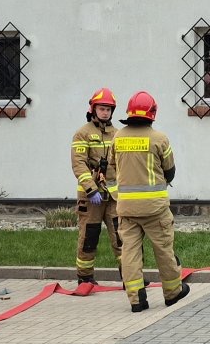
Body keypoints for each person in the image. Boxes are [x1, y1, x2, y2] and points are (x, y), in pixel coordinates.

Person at [113, 91, 189, 313]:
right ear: (152, 113)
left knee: (130, 252)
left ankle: (136, 299)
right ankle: (172, 292)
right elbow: (170, 171)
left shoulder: (118, 137)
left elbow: (113, 167)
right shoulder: (159, 139)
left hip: (126, 208)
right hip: (155, 208)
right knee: (163, 249)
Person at [70, 88, 121, 286]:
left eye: (108, 109)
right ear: (93, 109)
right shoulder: (82, 134)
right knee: (89, 238)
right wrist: (91, 189)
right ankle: (85, 277)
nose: (105, 113)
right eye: (102, 109)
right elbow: (79, 164)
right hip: (91, 198)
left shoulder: (118, 134)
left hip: (113, 197)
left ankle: (131, 276)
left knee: (121, 237)